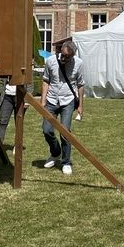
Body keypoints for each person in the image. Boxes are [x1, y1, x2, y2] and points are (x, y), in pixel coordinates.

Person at [41, 40, 84, 175]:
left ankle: (66, 162)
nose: (64, 58)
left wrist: (81, 106)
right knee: (47, 130)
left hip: (68, 101)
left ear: (73, 55)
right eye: (63, 55)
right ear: (60, 51)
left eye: (68, 57)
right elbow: (46, 80)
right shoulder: (51, 61)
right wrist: (43, 101)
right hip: (52, 100)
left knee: (65, 132)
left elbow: (81, 84)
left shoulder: (79, 64)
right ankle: (55, 153)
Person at [0, 79, 28, 156]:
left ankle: (18, 146)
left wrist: (26, 100)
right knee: (2, 122)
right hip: (6, 97)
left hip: (19, 96)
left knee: (18, 122)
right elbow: (2, 82)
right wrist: (0, 98)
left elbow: (29, 83)